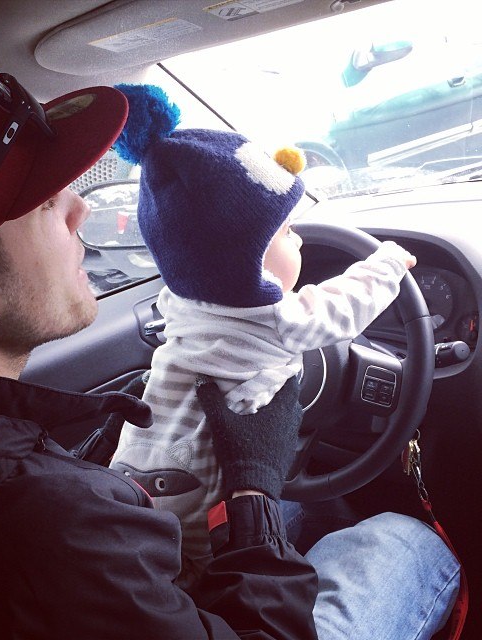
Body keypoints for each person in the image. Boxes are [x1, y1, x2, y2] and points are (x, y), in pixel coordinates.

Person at [0, 54, 458, 640]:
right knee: (402, 541)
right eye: (44, 202)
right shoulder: (47, 522)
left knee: (314, 516)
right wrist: (252, 493)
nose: (81, 207)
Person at [109, 84, 418, 583]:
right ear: (248, 257)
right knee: (203, 559)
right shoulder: (277, 319)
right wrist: (388, 264)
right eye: (288, 233)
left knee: (163, 549)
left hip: (136, 473)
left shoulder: (179, 303)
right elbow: (345, 304)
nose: (299, 242)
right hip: (202, 493)